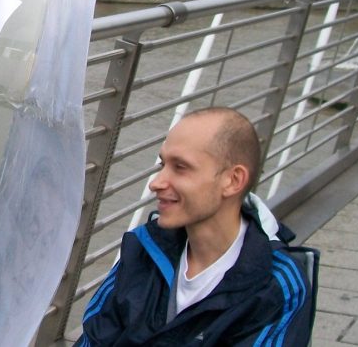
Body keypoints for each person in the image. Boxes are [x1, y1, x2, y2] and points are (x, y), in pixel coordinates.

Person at [76, 107, 316, 346]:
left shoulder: (278, 285)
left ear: (233, 180)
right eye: (163, 165)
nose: (156, 183)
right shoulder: (143, 248)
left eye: (180, 167)